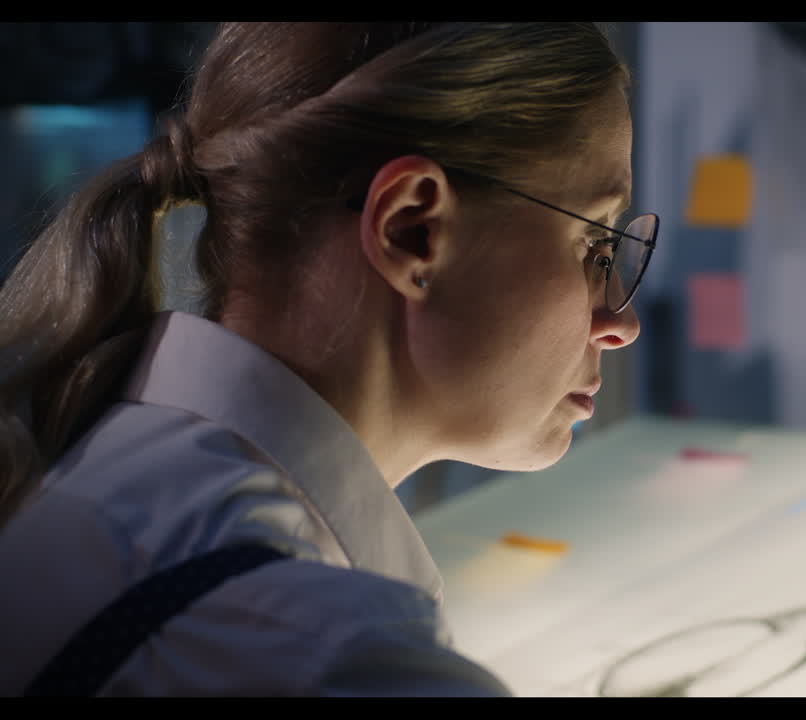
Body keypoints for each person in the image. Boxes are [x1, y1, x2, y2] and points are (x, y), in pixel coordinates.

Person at [0, 21, 655, 696]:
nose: (621, 323)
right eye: (592, 247)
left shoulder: (112, 470)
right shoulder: (330, 659)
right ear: (411, 229)